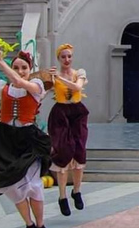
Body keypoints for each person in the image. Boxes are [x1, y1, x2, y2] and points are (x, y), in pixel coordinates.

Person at [0, 46, 51, 228]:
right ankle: (29, 224)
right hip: (5, 139)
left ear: (30, 70)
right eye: (17, 68)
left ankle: (41, 224)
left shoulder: (36, 86)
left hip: (29, 139)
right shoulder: (2, 87)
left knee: (33, 184)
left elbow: (20, 83)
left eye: (24, 68)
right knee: (13, 186)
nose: (20, 71)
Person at [47, 43, 89, 217]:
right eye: (63, 56)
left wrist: (58, 78)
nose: (67, 59)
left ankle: (76, 191)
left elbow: (77, 87)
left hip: (77, 112)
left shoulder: (79, 73)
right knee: (63, 154)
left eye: (69, 56)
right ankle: (62, 196)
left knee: (79, 152)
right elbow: (41, 90)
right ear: (58, 58)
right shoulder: (53, 76)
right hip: (60, 113)